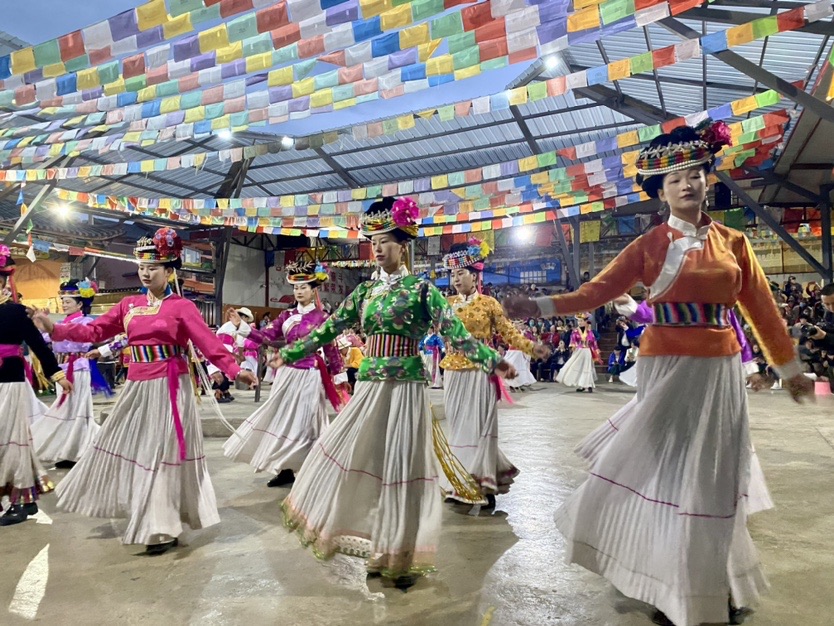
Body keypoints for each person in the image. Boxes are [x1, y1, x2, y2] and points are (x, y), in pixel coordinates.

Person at [504, 121, 813, 626]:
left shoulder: (735, 242)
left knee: (714, 476)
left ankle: (712, 582)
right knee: (669, 473)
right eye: (675, 179)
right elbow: (593, 294)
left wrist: (790, 367)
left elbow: (762, 309)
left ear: (708, 178)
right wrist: (537, 304)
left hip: (719, 371)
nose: (687, 183)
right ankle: (669, 581)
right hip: (664, 364)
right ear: (659, 192)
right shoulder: (648, 245)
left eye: (694, 173)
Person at [270, 196, 515, 588]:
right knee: (351, 458)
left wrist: (491, 360)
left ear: (404, 245)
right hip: (368, 386)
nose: (378, 247)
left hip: (405, 388)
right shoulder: (365, 292)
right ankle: (370, 540)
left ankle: (397, 555)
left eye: (385, 239)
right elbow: (329, 328)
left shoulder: (422, 290)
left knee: (401, 470)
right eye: (373, 240)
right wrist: (291, 352)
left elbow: (455, 333)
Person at [33, 228, 257, 555]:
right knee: (136, 451)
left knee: (162, 455)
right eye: (142, 267)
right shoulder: (128, 305)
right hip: (137, 387)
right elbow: (95, 329)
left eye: (154, 267)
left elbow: (208, 345)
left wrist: (236, 371)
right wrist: (55, 327)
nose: (146, 272)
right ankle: (153, 517)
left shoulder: (182, 307)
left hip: (171, 387)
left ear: (170, 271)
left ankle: (160, 527)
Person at [440, 239, 549, 507]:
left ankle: (483, 483)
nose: (455, 279)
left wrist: (530, 347)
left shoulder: (489, 304)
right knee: (457, 428)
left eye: (460, 274)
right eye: (452, 274)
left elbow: (509, 332)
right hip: (453, 371)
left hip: (481, 371)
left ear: (475, 276)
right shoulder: (445, 304)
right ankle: (460, 482)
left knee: (479, 428)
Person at [222, 261, 343, 488]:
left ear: (313, 289)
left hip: (310, 375)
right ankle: (285, 469)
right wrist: (243, 327)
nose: (299, 292)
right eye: (296, 288)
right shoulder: (286, 315)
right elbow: (267, 337)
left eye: (304, 287)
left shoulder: (322, 318)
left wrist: (339, 376)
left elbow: (331, 349)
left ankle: (309, 469)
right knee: (282, 420)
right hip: (286, 374)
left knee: (307, 423)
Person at [0, 247, 72, 526]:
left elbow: (39, 345)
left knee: (11, 440)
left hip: (10, 383)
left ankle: (19, 501)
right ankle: (26, 500)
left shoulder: (17, 313)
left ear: (4, 282)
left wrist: (56, 374)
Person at [31, 280, 109, 468]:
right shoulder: (58, 323)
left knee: (76, 410)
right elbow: (43, 340)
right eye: (63, 301)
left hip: (78, 369)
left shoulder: (86, 322)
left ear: (80, 304)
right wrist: (40, 325)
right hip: (61, 371)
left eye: (68, 301)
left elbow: (94, 338)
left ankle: (76, 450)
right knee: (65, 410)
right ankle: (69, 448)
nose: (64, 304)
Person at [556, 314, 600, 393]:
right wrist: (573, 347)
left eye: (581, 321)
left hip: (587, 351)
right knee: (578, 366)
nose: (579, 323)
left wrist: (596, 350)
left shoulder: (589, 332)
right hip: (579, 350)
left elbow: (594, 342)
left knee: (587, 368)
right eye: (578, 321)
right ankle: (581, 385)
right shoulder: (575, 331)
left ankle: (589, 384)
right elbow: (573, 341)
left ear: (585, 322)